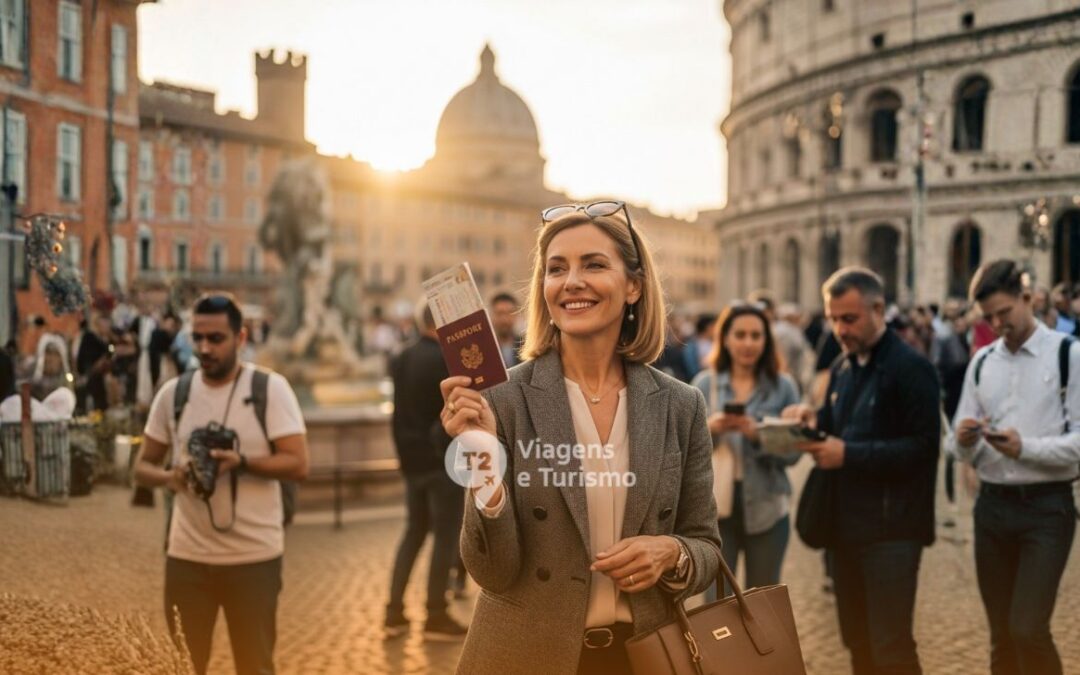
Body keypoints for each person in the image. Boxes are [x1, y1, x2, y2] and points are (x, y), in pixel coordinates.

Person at [441, 200, 721, 675]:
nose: (571, 281)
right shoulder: (502, 400)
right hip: (527, 655)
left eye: (593, 264)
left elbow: (707, 548)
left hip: (645, 655)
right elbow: (492, 570)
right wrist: (482, 455)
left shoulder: (681, 404)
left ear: (633, 286)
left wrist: (670, 552)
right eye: (556, 269)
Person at [134, 293, 309, 675]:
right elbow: (142, 468)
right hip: (186, 559)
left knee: (254, 666)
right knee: (183, 666)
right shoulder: (174, 394)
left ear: (240, 338)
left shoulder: (270, 390)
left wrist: (241, 462)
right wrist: (172, 477)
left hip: (254, 559)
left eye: (216, 338)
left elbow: (298, 464)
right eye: (197, 337)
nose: (204, 348)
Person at [784, 267, 941, 675]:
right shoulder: (842, 366)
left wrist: (849, 454)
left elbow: (924, 449)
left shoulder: (912, 368)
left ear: (878, 309)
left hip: (893, 531)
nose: (839, 328)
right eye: (834, 318)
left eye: (848, 318)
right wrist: (812, 419)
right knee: (856, 642)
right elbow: (839, 423)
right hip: (844, 528)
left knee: (891, 648)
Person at [948, 260, 1078, 675]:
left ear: (1028, 298)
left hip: (1047, 509)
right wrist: (964, 440)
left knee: (1027, 628)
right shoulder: (982, 362)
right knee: (1001, 635)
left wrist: (1027, 449)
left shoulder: (1068, 355)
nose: (997, 323)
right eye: (988, 317)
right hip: (992, 508)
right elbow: (954, 444)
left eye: (1004, 313)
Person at [691, 303, 800, 600]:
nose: (748, 343)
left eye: (756, 335)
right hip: (713, 514)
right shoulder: (703, 384)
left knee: (763, 603)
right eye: (740, 335)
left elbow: (793, 454)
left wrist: (758, 436)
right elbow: (682, 455)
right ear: (725, 338)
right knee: (714, 607)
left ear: (766, 341)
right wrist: (709, 430)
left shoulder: (783, 387)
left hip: (767, 509)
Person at [385, 302, 468, 640]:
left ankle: (394, 612)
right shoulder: (447, 360)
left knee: (413, 533)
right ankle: (436, 614)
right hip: (441, 461)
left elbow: (399, 412)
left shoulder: (400, 357)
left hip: (412, 461)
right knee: (445, 538)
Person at [490, 292, 524, 368]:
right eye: (499, 313)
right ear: (491, 316)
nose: (504, 319)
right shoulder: (485, 348)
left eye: (509, 313)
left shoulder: (526, 345)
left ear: (516, 315)